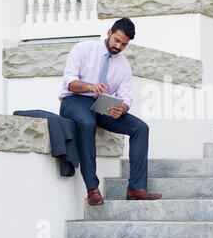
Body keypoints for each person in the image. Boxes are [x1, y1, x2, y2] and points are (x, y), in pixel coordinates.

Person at [58, 17, 162, 205]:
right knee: (87, 122)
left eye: (124, 44)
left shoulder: (123, 65)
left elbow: (127, 98)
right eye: (116, 40)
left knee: (140, 128)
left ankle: (136, 188)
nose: (119, 46)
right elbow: (70, 83)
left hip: (102, 106)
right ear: (109, 33)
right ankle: (92, 189)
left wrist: (120, 110)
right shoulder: (83, 49)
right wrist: (91, 87)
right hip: (75, 100)